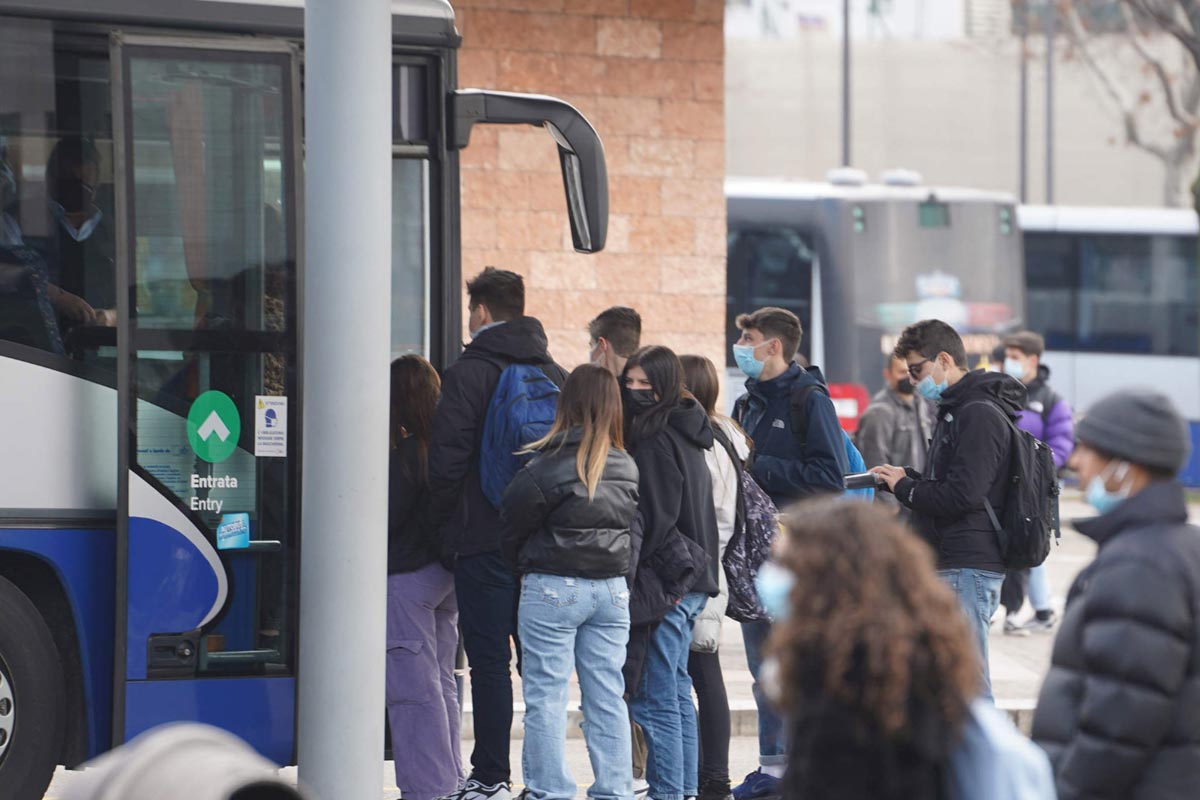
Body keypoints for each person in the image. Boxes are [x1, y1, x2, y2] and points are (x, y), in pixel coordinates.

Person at [427, 267, 567, 800]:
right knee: (540, 667)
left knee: (488, 663)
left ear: (480, 311)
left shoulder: (467, 373)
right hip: (541, 545)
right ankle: (545, 778)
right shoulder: (556, 371)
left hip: (483, 539)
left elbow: (446, 463)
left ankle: (489, 775)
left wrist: (443, 528)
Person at [1032, 389, 1200, 800]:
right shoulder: (1179, 545)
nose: (1075, 462)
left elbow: (1120, 723)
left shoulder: (1139, 565)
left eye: (1088, 449)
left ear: (1125, 467)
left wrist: (1069, 790)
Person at [763, 499, 980, 800]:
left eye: (785, 565)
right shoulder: (915, 648)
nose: (772, 578)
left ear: (826, 577)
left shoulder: (835, 670)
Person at [500, 363, 639, 800]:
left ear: (568, 403)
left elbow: (510, 524)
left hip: (554, 588)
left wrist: (522, 565)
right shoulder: (628, 466)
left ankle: (549, 792)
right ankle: (615, 790)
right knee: (607, 698)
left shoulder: (546, 465)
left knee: (546, 698)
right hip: (612, 592)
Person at [871, 319, 1024, 702]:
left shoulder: (978, 412)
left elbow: (963, 496)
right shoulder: (957, 408)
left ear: (943, 359)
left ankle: (988, 763)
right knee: (948, 683)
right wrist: (907, 478)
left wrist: (905, 488)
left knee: (966, 686)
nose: (913, 380)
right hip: (954, 560)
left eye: (917, 370)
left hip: (967, 564)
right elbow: (955, 484)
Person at [729, 306, 846, 800]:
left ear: (773, 346)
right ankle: (773, 768)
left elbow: (829, 477)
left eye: (749, 339)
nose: (742, 348)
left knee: (799, 663)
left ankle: (807, 767)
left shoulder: (808, 400)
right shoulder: (746, 402)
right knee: (763, 669)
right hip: (754, 550)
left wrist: (757, 464)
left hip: (796, 550)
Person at [622, 345, 720, 800]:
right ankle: (679, 792)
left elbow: (657, 517)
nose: (636, 391)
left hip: (670, 579)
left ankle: (669, 793)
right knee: (677, 694)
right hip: (691, 577)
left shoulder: (657, 436)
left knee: (657, 698)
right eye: (631, 382)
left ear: (665, 387)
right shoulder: (689, 428)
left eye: (647, 384)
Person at [385, 355, 462, 800]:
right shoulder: (447, 446)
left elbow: (387, 519)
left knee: (413, 690)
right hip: (444, 577)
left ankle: (426, 789)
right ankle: (449, 778)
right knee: (441, 681)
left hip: (409, 580)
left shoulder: (410, 452)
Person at [681, 355, 752, 800]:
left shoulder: (708, 441)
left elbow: (720, 516)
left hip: (700, 569)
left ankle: (712, 778)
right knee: (701, 673)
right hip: (706, 566)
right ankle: (708, 777)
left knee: (701, 672)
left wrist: (700, 563)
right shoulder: (726, 436)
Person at [997, 331, 1074, 636]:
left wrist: (1034, 470)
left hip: (1036, 485)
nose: (1008, 363)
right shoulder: (1000, 390)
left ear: (1033, 360)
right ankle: (1040, 609)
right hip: (1005, 482)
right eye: (1007, 357)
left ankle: (1024, 609)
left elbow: (1063, 445)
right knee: (1025, 544)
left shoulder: (1050, 400)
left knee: (1030, 542)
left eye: (1015, 358)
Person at [855, 353, 932, 518]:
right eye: (901, 372)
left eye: (910, 371)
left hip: (918, 501)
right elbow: (875, 462)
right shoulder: (879, 412)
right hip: (895, 509)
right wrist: (888, 507)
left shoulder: (923, 404)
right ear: (887, 374)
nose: (908, 377)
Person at [589, 305, 642, 376]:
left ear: (602, 345)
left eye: (591, 346)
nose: (590, 353)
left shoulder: (588, 385)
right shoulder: (650, 382)